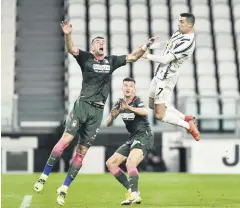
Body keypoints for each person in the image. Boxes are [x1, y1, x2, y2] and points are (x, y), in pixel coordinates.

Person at [33, 19, 159, 206]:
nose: (102, 43)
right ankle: (43, 177)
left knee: (82, 151)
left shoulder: (111, 61)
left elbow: (132, 57)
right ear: (92, 47)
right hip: (83, 105)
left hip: (97, 111)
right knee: (66, 140)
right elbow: (71, 49)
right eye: (98, 42)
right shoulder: (86, 58)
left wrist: (146, 46)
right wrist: (68, 35)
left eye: (103, 42)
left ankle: (64, 188)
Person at [142, 13, 200, 141]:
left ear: (190, 25)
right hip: (159, 74)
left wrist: (147, 56)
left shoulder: (188, 43)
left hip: (166, 79)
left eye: (182, 22)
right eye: (179, 21)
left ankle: (187, 126)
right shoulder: (179, 32)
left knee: (159, 115)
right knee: (152, 105)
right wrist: (151, 45)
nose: (179, 24)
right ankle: (186, 118)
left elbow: (165, 59)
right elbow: (168, 44)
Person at [105, 77, 154, 205]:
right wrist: (113, 116)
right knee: (111, 163)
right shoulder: (119, 103)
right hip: (132, 138)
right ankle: (132, 191)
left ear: (134, 89)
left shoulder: (137, 100)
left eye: (130, 86)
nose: (128, 88)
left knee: (130, 163)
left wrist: (130, 108)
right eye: (125, 85)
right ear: (122, 88)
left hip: (144, 136)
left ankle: (134, 194)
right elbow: (107, 123)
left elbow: (145, 112)